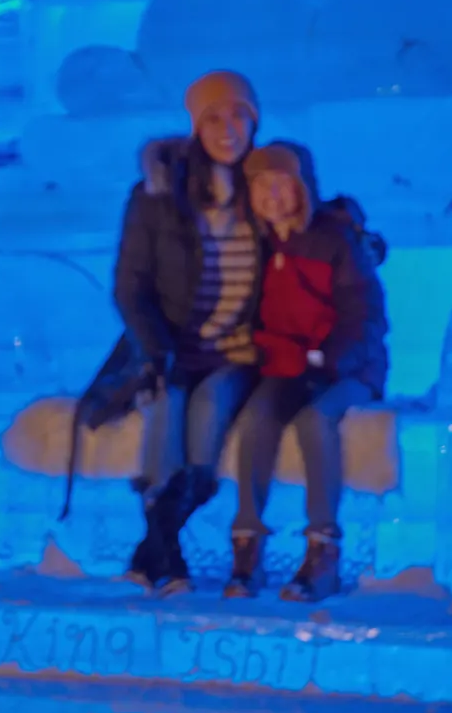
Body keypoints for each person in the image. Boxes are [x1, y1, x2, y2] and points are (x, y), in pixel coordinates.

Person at [104, 69, 265, 594]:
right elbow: (130, 286)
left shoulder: (265, 186)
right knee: (164, 412)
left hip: (236, 355)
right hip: (170, 348)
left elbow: (312, 223)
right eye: (214, 116)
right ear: (195, 125)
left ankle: (154, 553)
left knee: (207, 419)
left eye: (240, 114)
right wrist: (156, 351)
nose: (228, 128)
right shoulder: (157, 194)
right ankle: (164, 556)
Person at [221, 140, 388, 602]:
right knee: (256, 420)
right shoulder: (254, 245)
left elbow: (366, 315)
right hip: (288, 366)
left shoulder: (334, 241)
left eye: (282, 185)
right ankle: (247, 546)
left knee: (316, 421)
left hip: (345, 367)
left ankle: (323, 550)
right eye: (261, 186)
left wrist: (329, 360)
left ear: (302, 189)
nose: (272, 196)